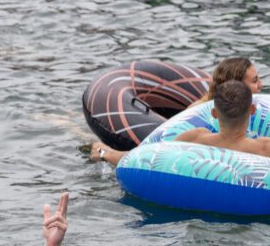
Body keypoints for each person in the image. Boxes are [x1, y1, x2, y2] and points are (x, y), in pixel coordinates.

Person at [90, 57, 264, 167]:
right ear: (253, 110)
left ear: (215, 113)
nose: (261, 85)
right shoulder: (264, 146)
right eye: (255, 81)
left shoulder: (196, 137)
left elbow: (143, 157)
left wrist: (105, 153)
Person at [173, 80, 270, 156]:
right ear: (252, 110)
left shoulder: (194, 138)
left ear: (214, 113)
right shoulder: (264, 148)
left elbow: (161, 152)